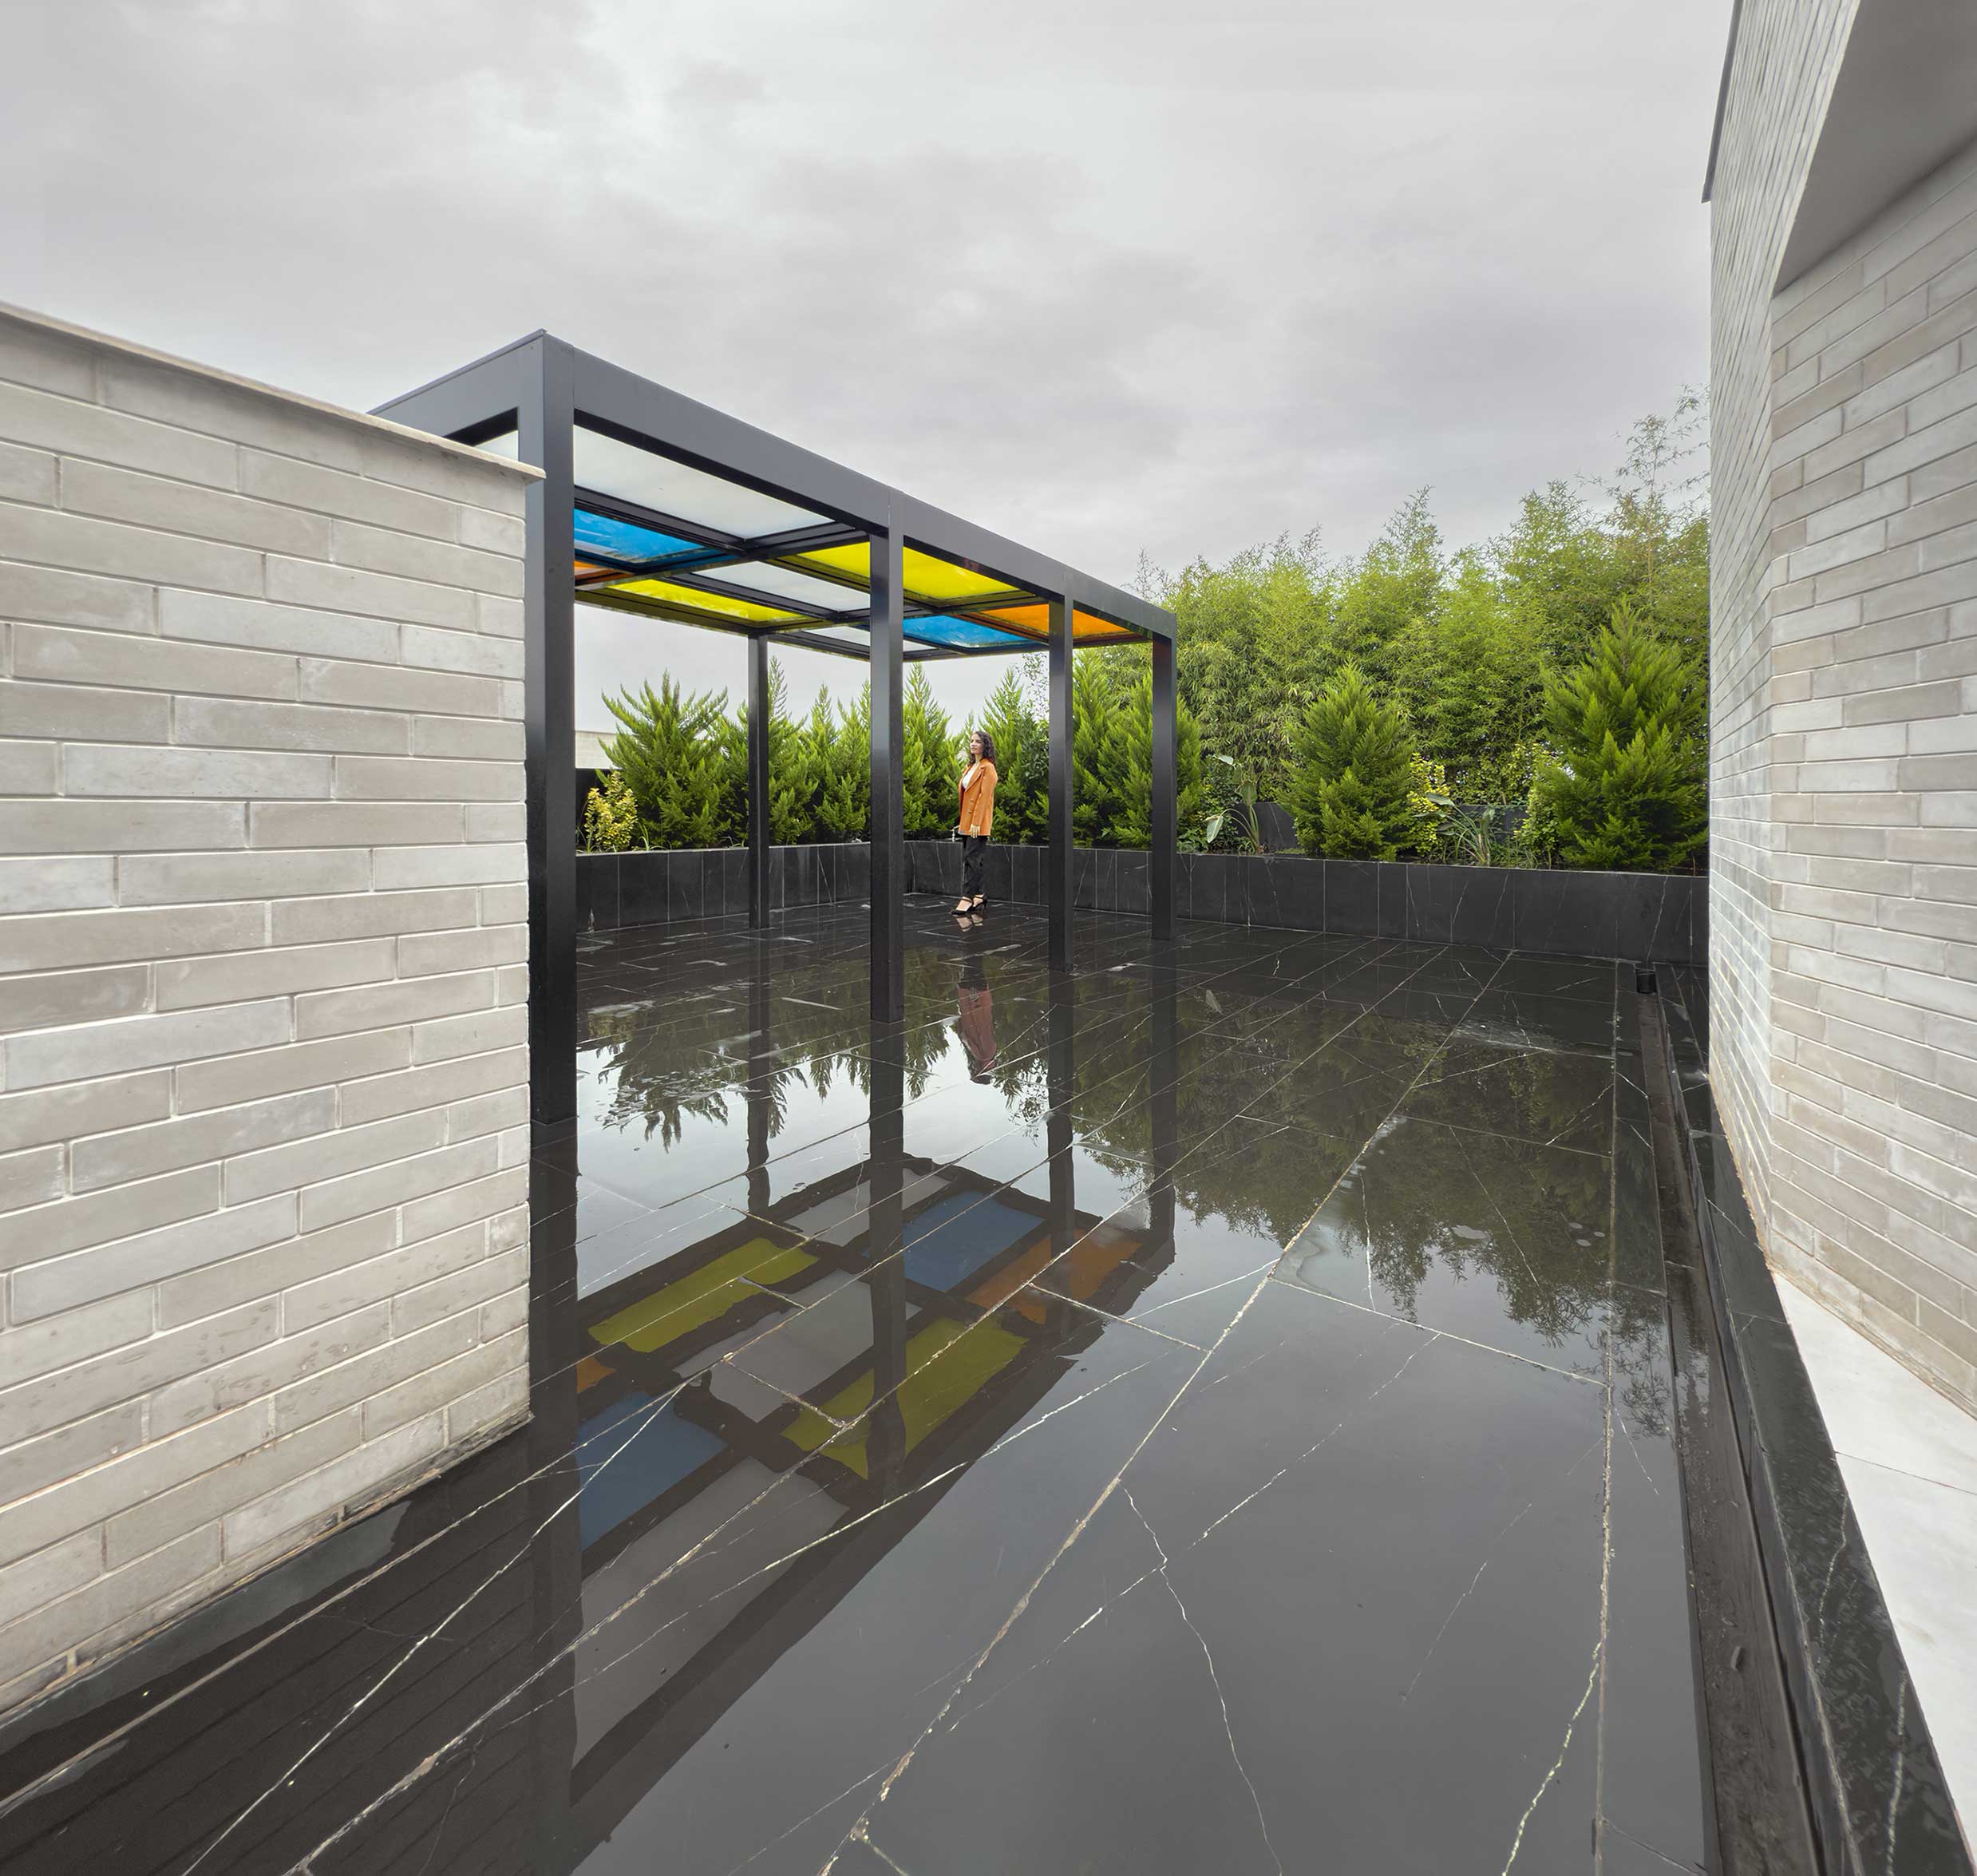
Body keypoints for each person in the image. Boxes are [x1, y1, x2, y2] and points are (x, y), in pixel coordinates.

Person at [954, 729, 997, 915]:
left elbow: (984, 797)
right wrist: (964, 822)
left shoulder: (988, 768)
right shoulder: (969, 767)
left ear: (985, 745)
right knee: (974, 860)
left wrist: (976, 823)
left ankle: (967, 897)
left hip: (977, 823)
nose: (973, 744)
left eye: (977, 741)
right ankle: (979, 896)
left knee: (971, 859)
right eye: (971, 741)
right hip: (967, 821)